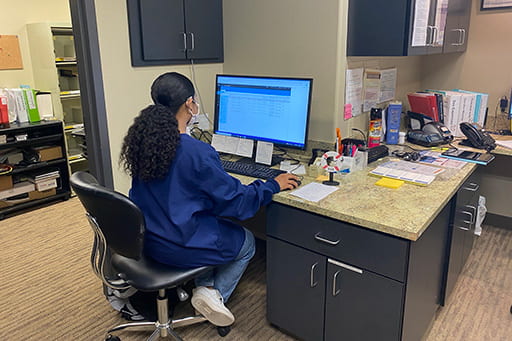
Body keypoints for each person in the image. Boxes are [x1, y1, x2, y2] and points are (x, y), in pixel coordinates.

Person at [119, 72, 299, 327]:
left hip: (148, 239)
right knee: (247, 241)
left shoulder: (145, 141)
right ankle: (213, 295)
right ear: (189, 104)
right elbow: (237, 202)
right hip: (178, 242)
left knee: (212, 220)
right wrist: (272, 184)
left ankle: (203, 283)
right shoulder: (197, 152)